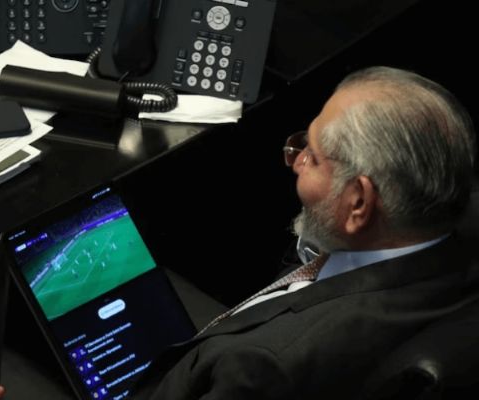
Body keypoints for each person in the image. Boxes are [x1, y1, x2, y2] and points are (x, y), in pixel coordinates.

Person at [129, 66, 478, 399]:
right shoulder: (447, 237)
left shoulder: (263, 366)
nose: (295, 161)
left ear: (358, 204)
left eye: (312, 156)